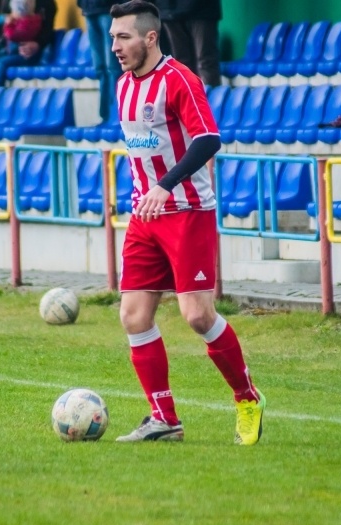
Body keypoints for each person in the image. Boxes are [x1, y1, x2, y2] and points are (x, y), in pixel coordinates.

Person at [108, 0, 265, 445]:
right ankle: (164, 418)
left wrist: (165, 185)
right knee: (134, 317)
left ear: (150, 37)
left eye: (124, 37)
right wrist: (145, 192)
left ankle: (248, 397)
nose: (116, 47)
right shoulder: (122, 85)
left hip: (188, 212)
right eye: (113, 38)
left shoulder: (180, 80)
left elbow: (208, 139)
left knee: (196, 315)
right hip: (145, 217)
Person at [153, 0, 222, 87]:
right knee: (182, 64)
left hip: (202, 9)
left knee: (205, 61)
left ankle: (209, 98)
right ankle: (187, 97)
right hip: (168, 10)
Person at [76, 1, 123, 123]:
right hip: (90, 10)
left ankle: (116, 115)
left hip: (109, 9)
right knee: (100, 68)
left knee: (112, 67)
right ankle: (105, 116)